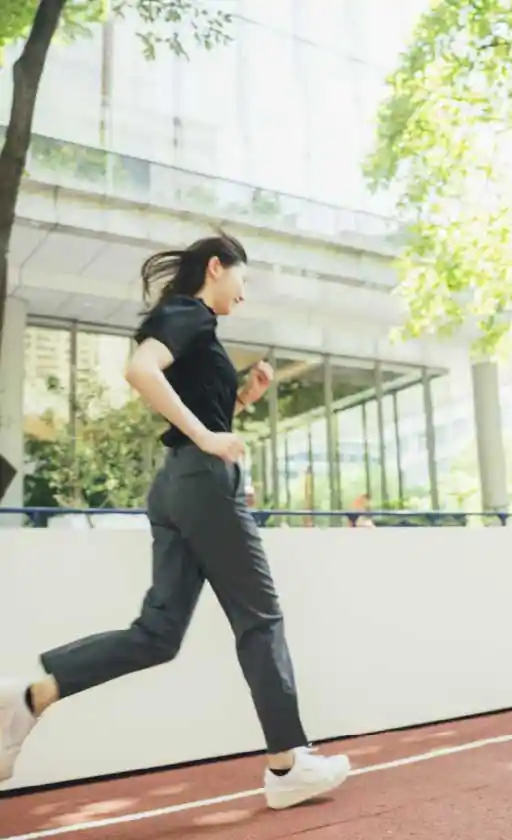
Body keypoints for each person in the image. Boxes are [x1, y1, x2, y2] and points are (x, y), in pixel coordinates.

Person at [0, 234, 350, 809]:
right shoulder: (190, 314)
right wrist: (209, 437)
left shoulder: (191, 326)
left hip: (176, 486)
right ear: (216, 267)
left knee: (157, 635)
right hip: (203, 482)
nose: (244, 293)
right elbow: (141, 371)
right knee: (260, 620)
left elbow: (195, 401)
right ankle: (288, 764)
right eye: (243, 279)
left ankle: (29, 698)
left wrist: (243, 400)